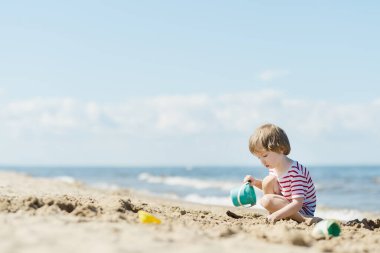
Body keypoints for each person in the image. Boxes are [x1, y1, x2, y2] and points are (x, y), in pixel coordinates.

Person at [244, 123, 317, 223]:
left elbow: (297, 203)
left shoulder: (295, 172)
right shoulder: (273, 168)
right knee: (268, 181)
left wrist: (277, 214)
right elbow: (275, 189)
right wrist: (255, 182)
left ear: (281, 149)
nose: (262, 161)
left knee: (266, 200)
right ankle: (276, 215)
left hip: (302, 211)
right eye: (259, 157)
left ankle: (304, 220)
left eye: (265, 155)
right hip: (285, 204)